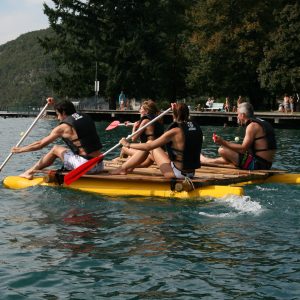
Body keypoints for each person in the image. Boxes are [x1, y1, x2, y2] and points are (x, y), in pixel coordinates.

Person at [11, 97, 104, 179]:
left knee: (55, 149)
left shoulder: (62, 128)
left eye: (57, 114)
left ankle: (29, 172)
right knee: (69, 150)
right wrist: (54, 104)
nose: (57, 118)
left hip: (85, 167)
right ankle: (30, 172)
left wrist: (20, 150)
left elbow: (40, 144)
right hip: (99, 164)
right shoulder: (85, 117)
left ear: (63, 112)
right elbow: (65, 108)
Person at [117, 103, 203, 179]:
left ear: (174, 115)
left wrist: (127, 144)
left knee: (150, 144)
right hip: (191, 173)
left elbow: (149, 146)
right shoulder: (196, 128)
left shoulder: (174, 132)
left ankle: (122, 168)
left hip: (177, 174)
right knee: (151, 155)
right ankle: (130, 167)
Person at [201, 102, 277, 170]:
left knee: (222, 150)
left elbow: (243, 149)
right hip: (266, 164)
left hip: (258, 165)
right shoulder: (261, 122)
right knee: (230, 148)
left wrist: (222, 142)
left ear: (243, 115)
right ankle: (206, 160)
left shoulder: (252, 126)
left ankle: (205, 160)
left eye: (238, 114)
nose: (237, 117)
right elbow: (249, 150)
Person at [111, 99, 164, 174]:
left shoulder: (145, 121)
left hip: (148, 152)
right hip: (157, 151)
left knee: (123, 148)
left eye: (141, 109)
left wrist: (134, 128)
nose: (139, 111)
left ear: (146, 111)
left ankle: (122, 164)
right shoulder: (158, 119)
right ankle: (127, 166)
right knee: (133, 151)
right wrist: (133, 124)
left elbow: (133, 138)